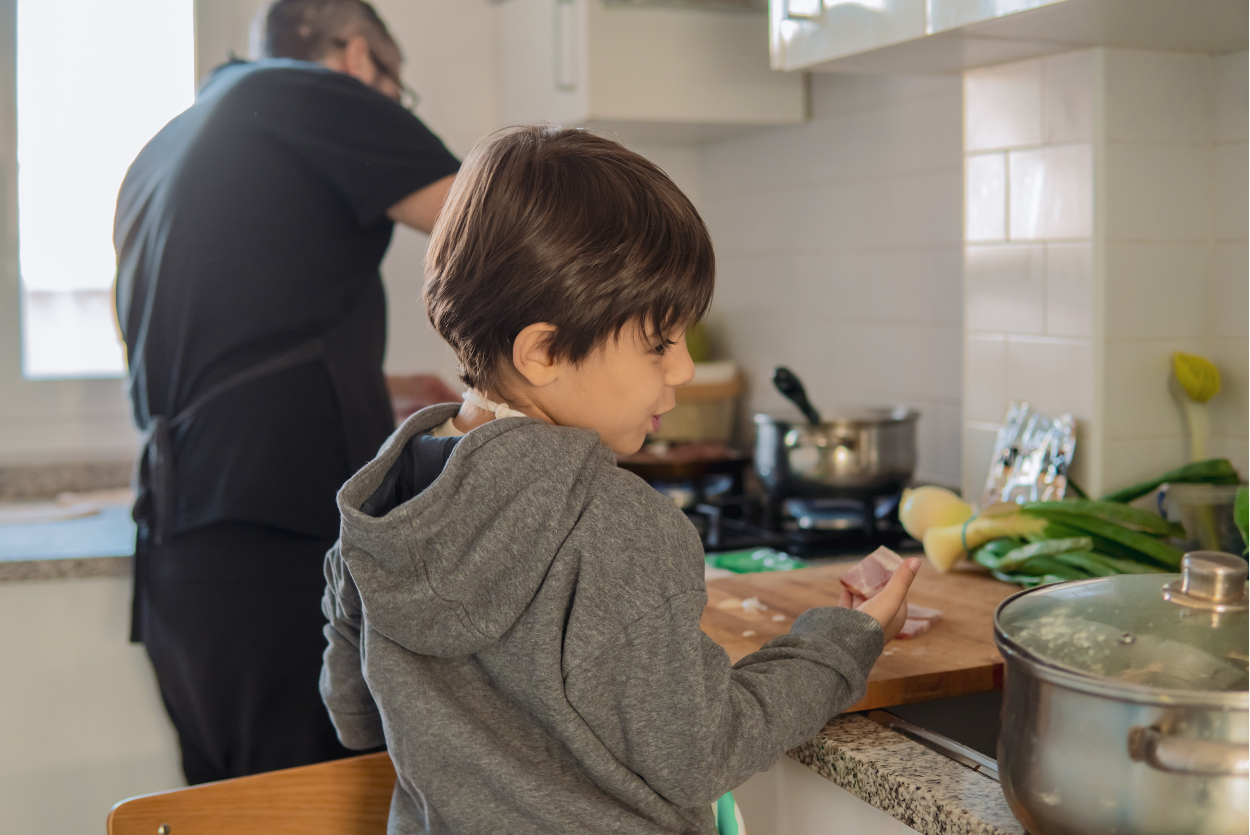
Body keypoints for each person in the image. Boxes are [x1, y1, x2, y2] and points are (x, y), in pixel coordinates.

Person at [319, 125, 919, 833]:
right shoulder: (616, 523)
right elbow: (701, 751)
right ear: (542, 351)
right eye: (659, 342)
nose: (685, 370)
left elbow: (355, 715)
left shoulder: (388, 505)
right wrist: (845, 636)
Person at [113, 0, 460, 785]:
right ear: (353, 57)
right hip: (272, 537)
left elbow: (211, 347)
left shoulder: (168, 145)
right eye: (395, 92)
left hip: (181, 550)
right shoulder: (309, 93)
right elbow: (498, 226)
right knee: (307, 799)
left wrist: (375, 384)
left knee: (233, 806)